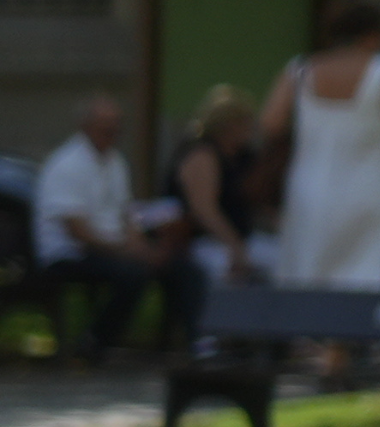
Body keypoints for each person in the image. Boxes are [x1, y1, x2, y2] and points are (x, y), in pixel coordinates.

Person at [262, 0, 380, 292]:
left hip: (309, 187)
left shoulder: (298, 72)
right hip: (369, 189)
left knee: (307, 272)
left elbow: (271, 123)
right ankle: (341, 339)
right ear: (373, 35)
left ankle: (307, 338)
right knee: (361, 274)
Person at [27, 91, 197, 352]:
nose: (113, 130)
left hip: (110, 246)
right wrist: (127, 251)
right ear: (86, 126)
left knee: (181, 268)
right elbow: (77, 231)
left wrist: (141, 247)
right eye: (106, 125)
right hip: (70, 253)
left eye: (116, 124)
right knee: (132, 275)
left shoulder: (116, 161)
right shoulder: (66, 165)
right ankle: (95, 342)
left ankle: (179, 343)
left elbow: (125, 214)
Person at [167, 86, 265, 285]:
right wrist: (234, 246)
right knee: (226, 268)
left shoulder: (244, 156)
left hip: (244, 238)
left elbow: (259, 201)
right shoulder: (202, 153)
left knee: (284, 259)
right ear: (228, 125)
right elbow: (203, 210)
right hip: (203, 241)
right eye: (244, 122)